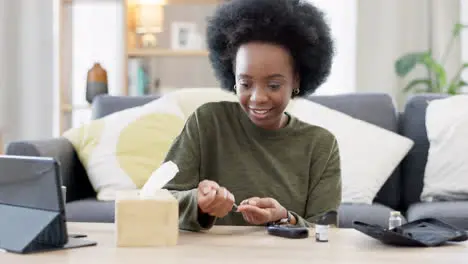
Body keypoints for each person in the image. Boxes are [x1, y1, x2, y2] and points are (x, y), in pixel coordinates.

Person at [163, 0, 341, 231]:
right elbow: (159, 199)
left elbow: (326, 233)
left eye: (274, 85)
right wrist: (199, 203)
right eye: (245, 84)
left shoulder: (321, 145)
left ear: (296, 79)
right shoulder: (207, 122)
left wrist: (285, 218)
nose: (257, 97)